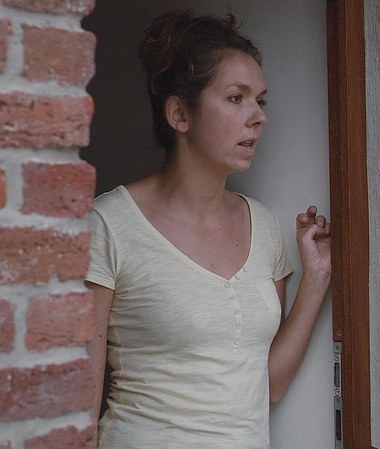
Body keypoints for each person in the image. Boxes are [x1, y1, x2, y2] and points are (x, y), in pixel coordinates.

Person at [85, 10, 331, 448]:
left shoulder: (265, 227)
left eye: (261, 101)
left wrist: (316, 279)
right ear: (180, 114)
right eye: (236, 98)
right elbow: (79, 402)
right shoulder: (110, 223)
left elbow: (270, 385)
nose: (258, 117)